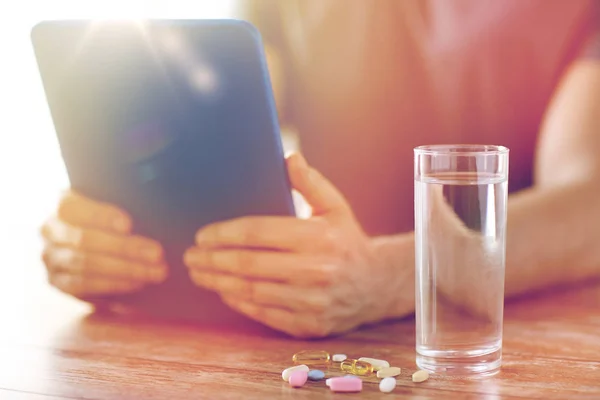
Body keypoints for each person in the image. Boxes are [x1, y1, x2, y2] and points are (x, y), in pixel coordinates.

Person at [40, 0, 600, 338]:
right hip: (320, 331)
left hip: (501, 346)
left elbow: (589, 201)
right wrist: (111, 227)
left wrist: (396, 276)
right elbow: (209, 121)